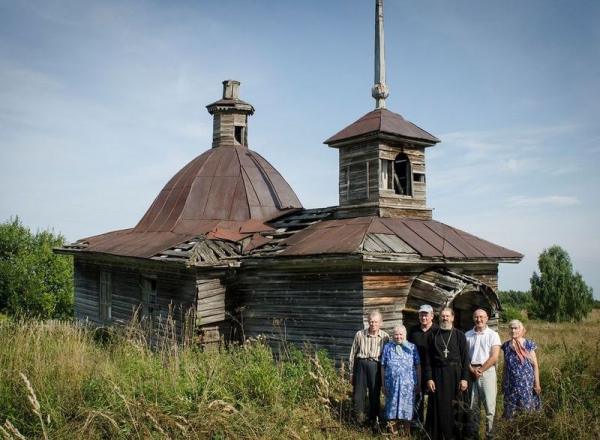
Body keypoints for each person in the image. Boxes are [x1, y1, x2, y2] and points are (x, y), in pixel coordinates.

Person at [424, 307, 470, 440]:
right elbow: (428, 360)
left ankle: (456, 435)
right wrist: (429, 378)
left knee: (455, 406)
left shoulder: (459, 335)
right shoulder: (433, 335)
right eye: (443, 316)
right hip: (438, 374)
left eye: (447, 316)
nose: (445, 318)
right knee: (439, 406)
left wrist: (465, 378)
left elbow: (466, 359)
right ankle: (438, 435)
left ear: (452, 318)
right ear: (439, 318)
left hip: (456, 375)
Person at [349, 310, 389, 427]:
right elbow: (352, 353)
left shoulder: (385, 337)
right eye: (371, 322)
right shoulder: (360, 334)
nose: (373, 324)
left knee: (374, 394)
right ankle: (358, 421)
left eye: (376, 322)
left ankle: (374, 422)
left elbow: (386, 357)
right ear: (368, 322)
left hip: (375, 366)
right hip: (360, 364)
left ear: (381, 323)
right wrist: (351, 372)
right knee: (358, 395)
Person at [465, 309, 501, 439]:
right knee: (473, 407)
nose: (478, 319)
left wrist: (480, 371)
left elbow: (494, 356)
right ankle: (474, 435)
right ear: (473, 318)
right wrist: (471, 369)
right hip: (471, 372)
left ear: (486, 318)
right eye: (476, 317)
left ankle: (490, 434)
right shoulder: (467, 335)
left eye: (481, 317)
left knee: (490, 407)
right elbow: (464, 357)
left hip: (487, 373)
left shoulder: (493, 335)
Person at [381, 324, 421, 436]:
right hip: (391, 384)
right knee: (391, 408)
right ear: (393, 335)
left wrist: (419, 384)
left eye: (401, 334)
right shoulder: (388, 347)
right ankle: (394, 433)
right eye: (396, 334)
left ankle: (406, 434)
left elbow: (418, 366)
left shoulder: (412, 347)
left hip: (408, 385)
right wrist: (383, 385)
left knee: (407, 408)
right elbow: (383, 366)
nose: (398, 337)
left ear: (405, 335)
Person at [501, 319, 542, 419]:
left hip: (526, 385)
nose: (513, 331)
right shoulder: (506, 346)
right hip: (510, 385)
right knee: (510, 412)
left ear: (521, 329)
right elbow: (505, 366)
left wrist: (537, 384)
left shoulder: (528, 344)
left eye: (516, 328)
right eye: (511, 328)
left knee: (526, 412)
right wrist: (503, 382)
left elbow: (535, 365)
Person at [408, 304, 439, 426]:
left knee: (434, 396)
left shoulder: (437, 330)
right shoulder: (414, 330)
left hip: (433, 369)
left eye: (426, 315)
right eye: (421, 315)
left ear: (432, 316)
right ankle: (417, 424)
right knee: (417, 396)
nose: (423, 317)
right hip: (416, 369)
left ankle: (432, 425)